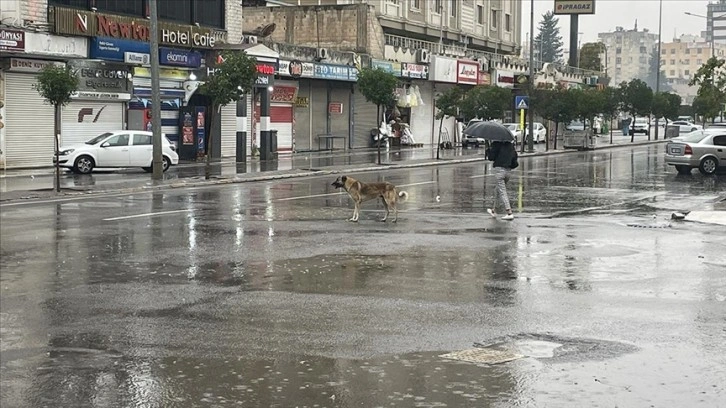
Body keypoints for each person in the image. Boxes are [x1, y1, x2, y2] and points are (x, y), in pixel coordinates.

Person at [485, 140, 518, 220]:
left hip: (499, 171)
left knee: (502, 191)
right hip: (508, 171)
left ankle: (509, 212)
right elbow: (515, 158)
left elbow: (491, 157)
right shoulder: (510, 145)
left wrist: (488, 150)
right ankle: (494, 210)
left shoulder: (496, 144)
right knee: (498, 190)